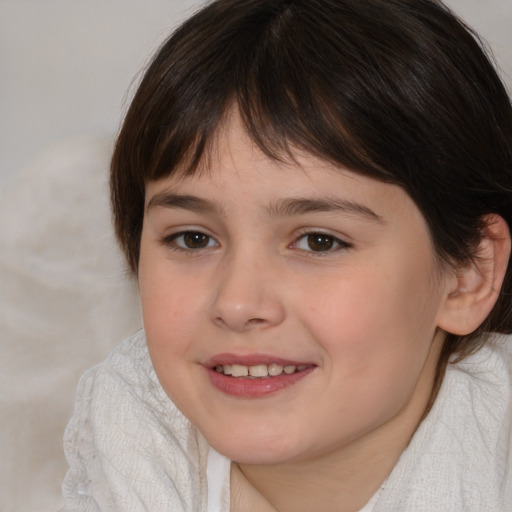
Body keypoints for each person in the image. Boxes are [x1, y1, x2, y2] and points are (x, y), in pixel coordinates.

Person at [62, 0, 512, 510]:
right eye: (193, 238)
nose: (236, 303)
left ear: (468, 273)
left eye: (319, 241)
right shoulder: (128, 422)